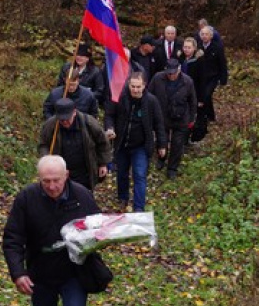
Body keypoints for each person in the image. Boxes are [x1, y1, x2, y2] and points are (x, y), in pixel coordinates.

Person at [2, 155, 101, 306]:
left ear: (66, 175)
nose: (52, 186)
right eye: (46, 181)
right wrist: (18, 273)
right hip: (41, 270)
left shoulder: (82, 196)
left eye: (56, 180)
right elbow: (12, 238)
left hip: (74, 269)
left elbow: (98, 230)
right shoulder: (27, 198)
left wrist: (87, 241)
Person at [104, 72, 167, 211]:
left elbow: (159, 123)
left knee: (139, 175)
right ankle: (123, 198)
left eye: (138, 87)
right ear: (128, 84)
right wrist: (110, 128)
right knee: (121, 173)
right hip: (122, 143)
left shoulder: (151, 101)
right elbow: (109, 115)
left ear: (144, 86)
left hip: (141, 146)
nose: (135, 90)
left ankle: (139, 208)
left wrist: (162, 144)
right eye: (133, 86)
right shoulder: (119, 97)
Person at [38, 98, 111, 190]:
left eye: (67, 119)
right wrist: (47, 159)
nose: (64, 122)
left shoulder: (89, 122)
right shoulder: (51, 125)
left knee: (84, 197)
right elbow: (43, 144)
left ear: (74, 112)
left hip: (85, 170)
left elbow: (102, 142)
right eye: (61, 120)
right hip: (61, 171)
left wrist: (103, 164)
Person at [148, 58, 197, 179]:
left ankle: (172, 168)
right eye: (169, 73)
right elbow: (149, 95)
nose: (171, 76)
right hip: (162, 116)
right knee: (161, 141)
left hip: (181, 118)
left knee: (177, 144)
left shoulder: (187, 81)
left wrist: (191, 118)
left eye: (173, 73)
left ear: (179, 70)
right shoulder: (157, 78)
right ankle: (161, 158)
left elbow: (192, 101)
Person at [194, 26, 228, 123]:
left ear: (211, 36)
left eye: (206, 34)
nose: (204, 36)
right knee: (202, 96)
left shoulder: (217, 47)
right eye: (202, 34)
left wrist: (223, 79)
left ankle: (208, 116)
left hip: (213, 76)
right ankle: (208, 115)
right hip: (201, 77)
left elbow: (222, 63)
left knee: (207, 94)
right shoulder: (198, 46)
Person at [180, 37, 208, 143]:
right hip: (181, 92)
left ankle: (191, 136)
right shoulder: (180, 59)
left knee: (193, 116)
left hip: (194, 91)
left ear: (194, 48)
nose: (186, 49)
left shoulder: (199, 61)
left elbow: (202, 80)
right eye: (185, 47)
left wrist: (201, 99)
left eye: (189, 47)